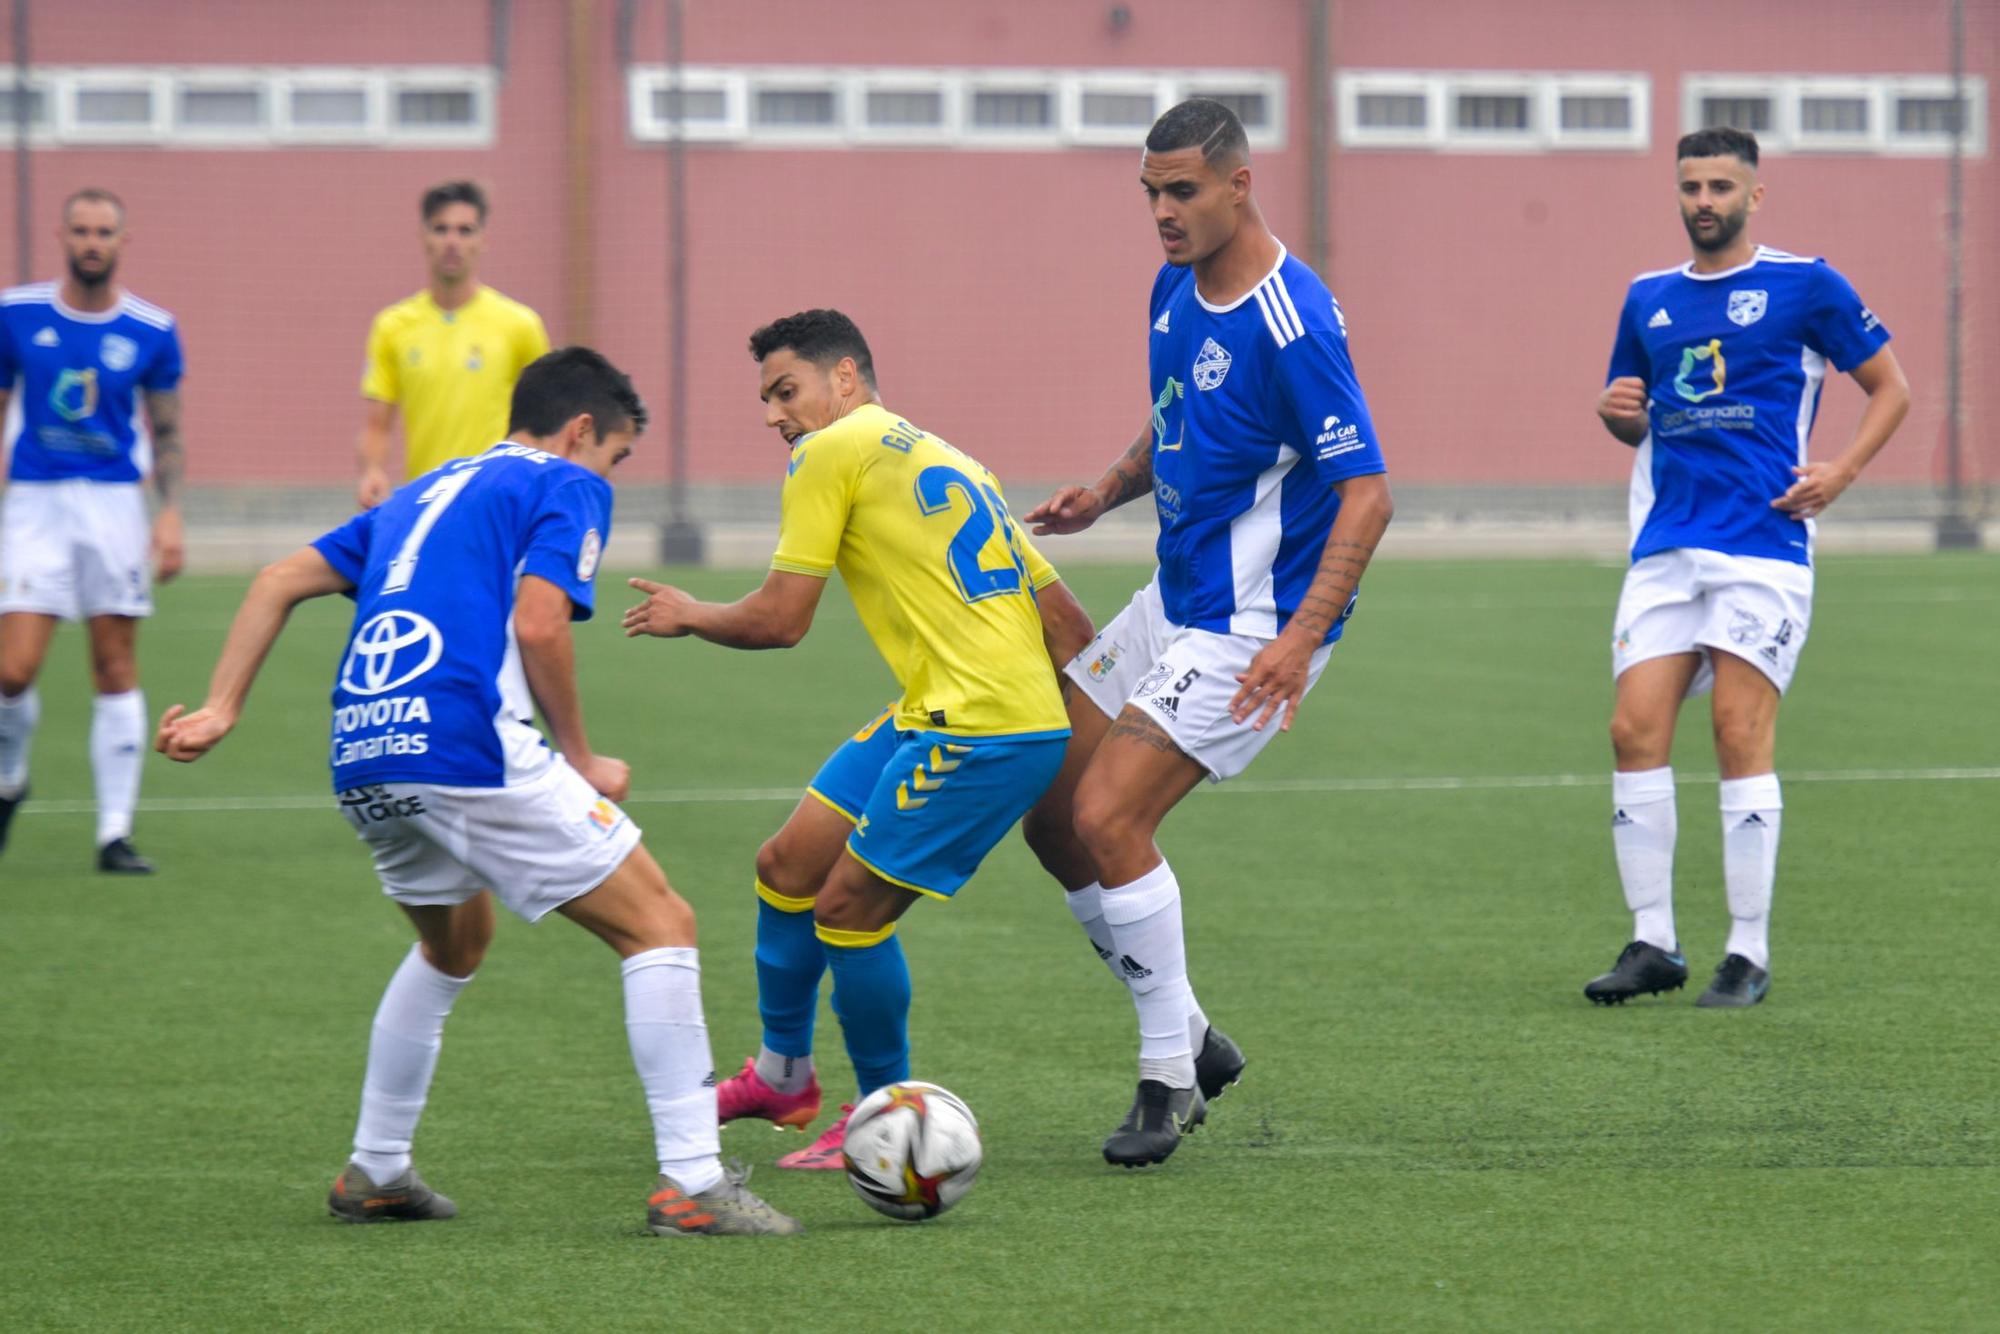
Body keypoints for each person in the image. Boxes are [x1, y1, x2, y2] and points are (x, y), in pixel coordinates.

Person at [155, 347, 800, 1237]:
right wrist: (579, 755)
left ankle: (377, 1170)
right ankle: (692, 1181)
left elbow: (277, 579)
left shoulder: (418, 492)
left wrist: (222, 707)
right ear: (582, 431)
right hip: (463, 741)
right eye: (616, 455)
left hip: (364, 746)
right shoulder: (565, 483)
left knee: (454, 944)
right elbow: (539, 623)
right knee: (661, 923)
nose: (612, 474)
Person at [1024, 99, 1394, 1166]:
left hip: (1252, 626)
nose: (1161, 211)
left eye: (1180, 189)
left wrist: (1296, 640)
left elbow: (1366, 495)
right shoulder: (1172, 286)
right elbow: (1177, 414)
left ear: (1239, 182)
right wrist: (1106, 487)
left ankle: (1164, 1077)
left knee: (1106, 814)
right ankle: (1193, 1034)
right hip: (1173, 598)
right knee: (1045, 806)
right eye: (1149, 191)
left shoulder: (1294, 321)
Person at [621, 309, 1080, 1169]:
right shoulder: (953, 458)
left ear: (845, 377)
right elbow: (1070, 627)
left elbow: (782, 620)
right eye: (764, 398)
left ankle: (886, 1118)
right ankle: (781, 1076)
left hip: (982, 726)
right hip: (947, 709)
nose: (773, 416)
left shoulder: (828, 451)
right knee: (787, 865)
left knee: (847, 911)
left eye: (784, 391)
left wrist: (692, 615)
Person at [1584, 127, 1908, 1009]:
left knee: (1737, 730)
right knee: (1631, 730)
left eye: (1721, 186)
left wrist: (1840, 472)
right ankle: (1654, 942)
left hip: (1762, 548)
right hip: (1664, 547)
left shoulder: (1805, 285)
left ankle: (1747, 952)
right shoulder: (1647, 299)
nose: (1704, 201)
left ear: (1753, 195)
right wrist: (1617, 414)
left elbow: (1892, 386)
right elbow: (1635, 415)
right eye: (1691, 186)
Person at [0, 187, 186, 873]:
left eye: (103, 231)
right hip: (35, 504)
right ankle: (11, 772)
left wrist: (169, 513)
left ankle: (114, 833)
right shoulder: (16, 315)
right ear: (62, 235)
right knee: (12, 671)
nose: (91, 242)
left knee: (114, 665)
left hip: (112, 506)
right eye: (80, 230)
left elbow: (166, 431)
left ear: (121, 239)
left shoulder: (152, 329)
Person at [355, 180, 550, 509]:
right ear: (423, 237)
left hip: (495, 505)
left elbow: (547, 421)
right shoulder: (393, 326)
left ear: (483, 240)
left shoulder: (520, 325)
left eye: (465, 230)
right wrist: (372, 470)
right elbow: (377, 426)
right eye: (441, 229)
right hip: (425, 503)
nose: (452, 241)